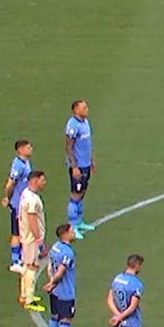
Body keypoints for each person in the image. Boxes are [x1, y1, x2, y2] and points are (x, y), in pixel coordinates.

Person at [42, 224, 80, 327]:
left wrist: (51, 282)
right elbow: (61, 271)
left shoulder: (55, 247)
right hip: (65, 292)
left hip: (55, 292)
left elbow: (50, 266)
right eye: (71, 231)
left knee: (55, 316)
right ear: (65, 234)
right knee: (65, 319)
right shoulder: (67, 252)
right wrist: (53, 283)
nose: (74, 233)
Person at [63, 100, 96, 236]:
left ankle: (79, 221)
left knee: (82, 193)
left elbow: (88, 144)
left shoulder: (85, 123)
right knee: (75, 194)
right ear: (76, 110)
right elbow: (68, 147)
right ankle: (72, 226)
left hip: (86, 164)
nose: (87, 109)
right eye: (84, 107)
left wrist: (91, 160)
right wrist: (74, 166)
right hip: (78, 166)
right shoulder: (73, 125)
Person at [17, 171, 48, 312]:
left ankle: (24, 295)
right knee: (32, 266)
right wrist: (39, 240)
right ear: (35, 180)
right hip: (31, 238)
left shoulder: (26, 193)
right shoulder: (32, 200)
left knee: (27, 264)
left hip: (26, 235)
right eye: (42, 180)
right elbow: (32, 219)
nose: (44, 183)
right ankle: (29, 299)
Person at [2, 139, 34, 273]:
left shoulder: (25, 162)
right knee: (16, 232)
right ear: (20, 150)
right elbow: (10, 184)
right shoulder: (18, 165)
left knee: (23, 230)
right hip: (18, 204)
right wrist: (8, 198)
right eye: (28, 147)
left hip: (24, 202)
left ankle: (21, 257)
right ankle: (15, 262)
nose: (31, 149)